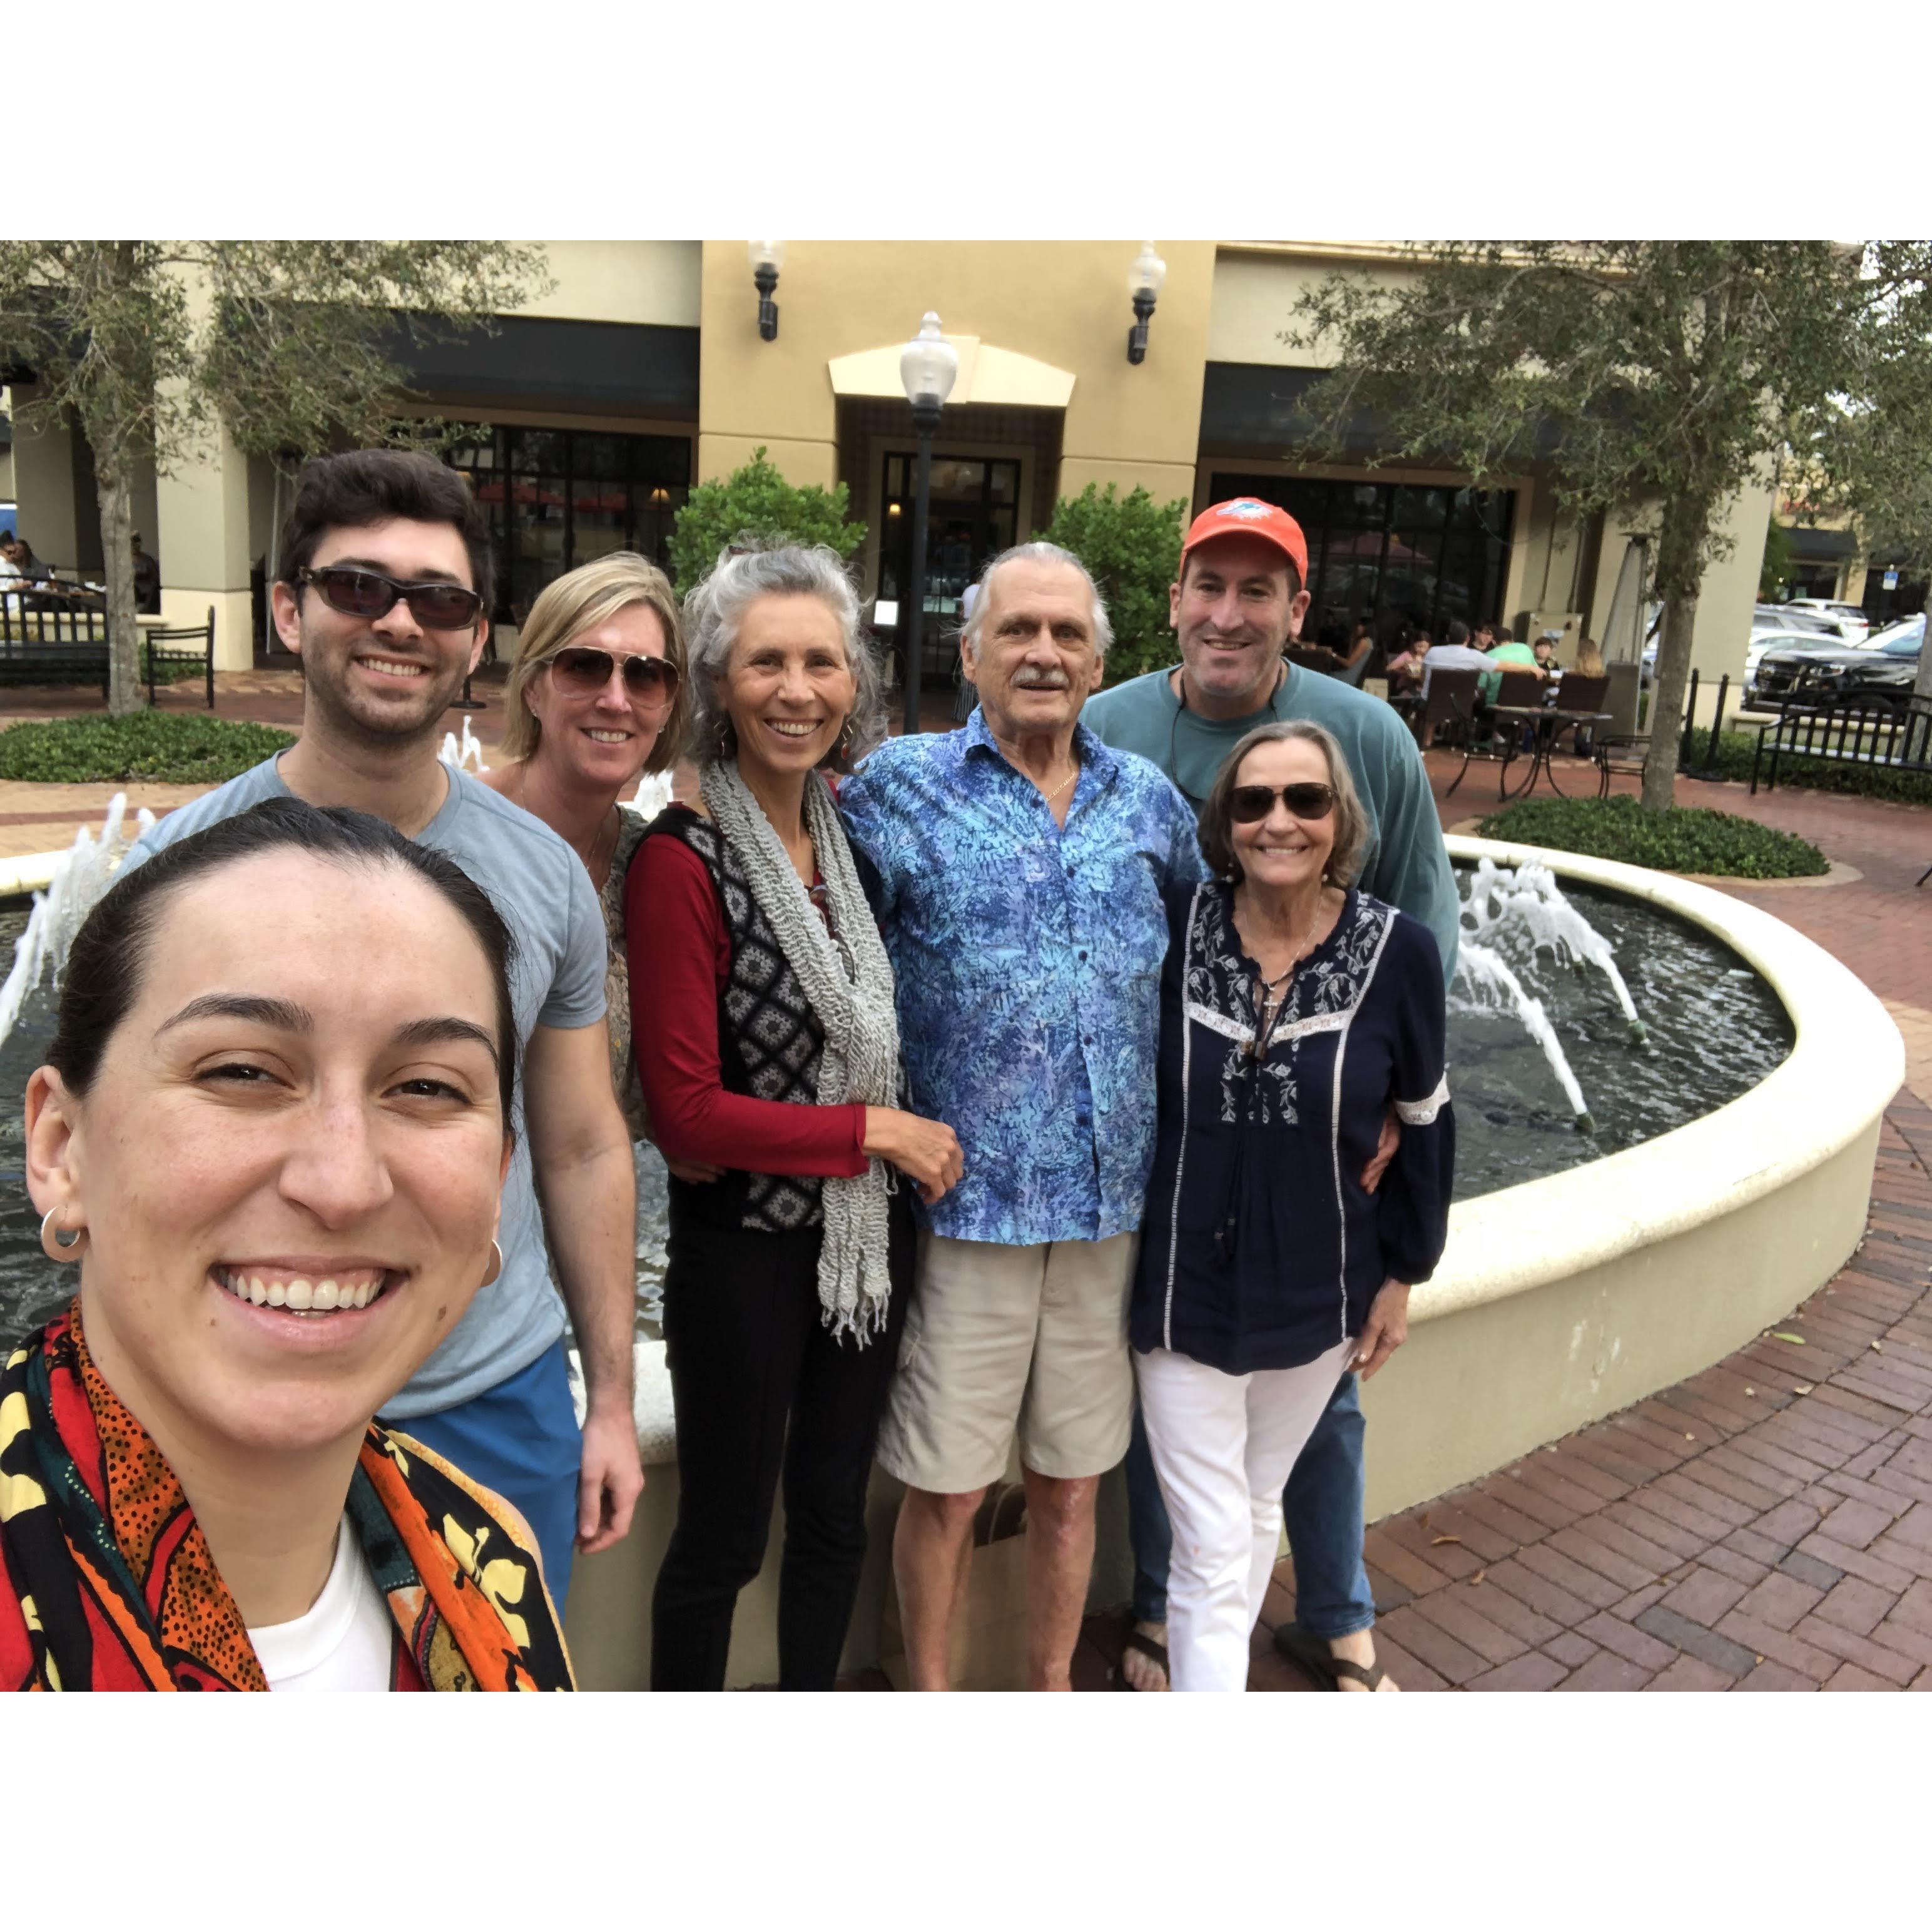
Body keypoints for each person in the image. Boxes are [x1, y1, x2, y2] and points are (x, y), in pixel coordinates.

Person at [123, 449, 642, 1608]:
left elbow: (580, 1143)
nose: (400, 621)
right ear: (285, 607)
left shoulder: (544, 877)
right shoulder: (178, 873)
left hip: (489, 1398)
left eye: (439, 600)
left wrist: (608, 1398)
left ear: (475, 637)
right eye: (360, 586)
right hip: (237, 1395)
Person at [1, 801, 573, 1690]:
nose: (343, 1183)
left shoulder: (491, 1557)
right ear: (60, 1147)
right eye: (241, 1072)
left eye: (425, 1086)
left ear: (499, 1179)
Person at [1082, 496, 1460, 1694]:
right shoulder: (1108, 722)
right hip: (1177, 1166)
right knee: (1176, 1405)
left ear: (1297, 609)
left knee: (1320, 1389)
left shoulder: (1365, 737)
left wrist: (1374, 1112)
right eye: (1209, 586)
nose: (1227, 614)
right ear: (1177, 598)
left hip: (1320, 1157)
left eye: (1258, 591)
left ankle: (1335, 1609)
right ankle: (1163, 1606)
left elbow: (1419, 943)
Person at [840, 541, 1204, 1692]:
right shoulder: (894, 787)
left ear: (1099, 662)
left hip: (1106, 1208)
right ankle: (929, 1696)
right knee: (945, 1487)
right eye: (1017, 631)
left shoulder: (1145, 800)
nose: (1042, 652)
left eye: (1065, 635)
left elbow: (1206, 956)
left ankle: (1048, 1687)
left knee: (1070, 1480)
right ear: (968, 653)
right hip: (964, 1207)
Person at [633, 545, 962, 1690]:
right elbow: (684, 1113)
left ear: (852, 684)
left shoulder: (851, 845)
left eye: (822, 661)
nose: (796, 687)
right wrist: (876, 1132)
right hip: (743, 1258)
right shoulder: (678, 863)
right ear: (718, 683)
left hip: (863, 1256)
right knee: (724, 1538)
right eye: (764, 660)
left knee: (832, 1516)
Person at [1135, 723, 1453, 1691]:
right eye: (1253, 802)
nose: (1280, 821)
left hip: (1323, 1292)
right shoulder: (1173, 924)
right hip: (1182, 1289)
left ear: (1340, 817)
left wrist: (1404, 1273)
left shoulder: (1396, 951)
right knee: (1212, 1536)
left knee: (1257, 1500)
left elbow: (1428, 1120)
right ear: (1225, 824)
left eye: (1305, 800)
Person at [481, 551, 687, 1139]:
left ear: (668, 703)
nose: (617, 700)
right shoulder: (452, 842)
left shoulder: (653, 862)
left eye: (646, 674)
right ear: (531, 688)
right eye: (585, 667)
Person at [131, 532, 163, 614]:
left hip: (147, 599)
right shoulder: (125, 560)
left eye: (137, 542)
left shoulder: (147, 559)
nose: (135, 545)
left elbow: (154, 579)